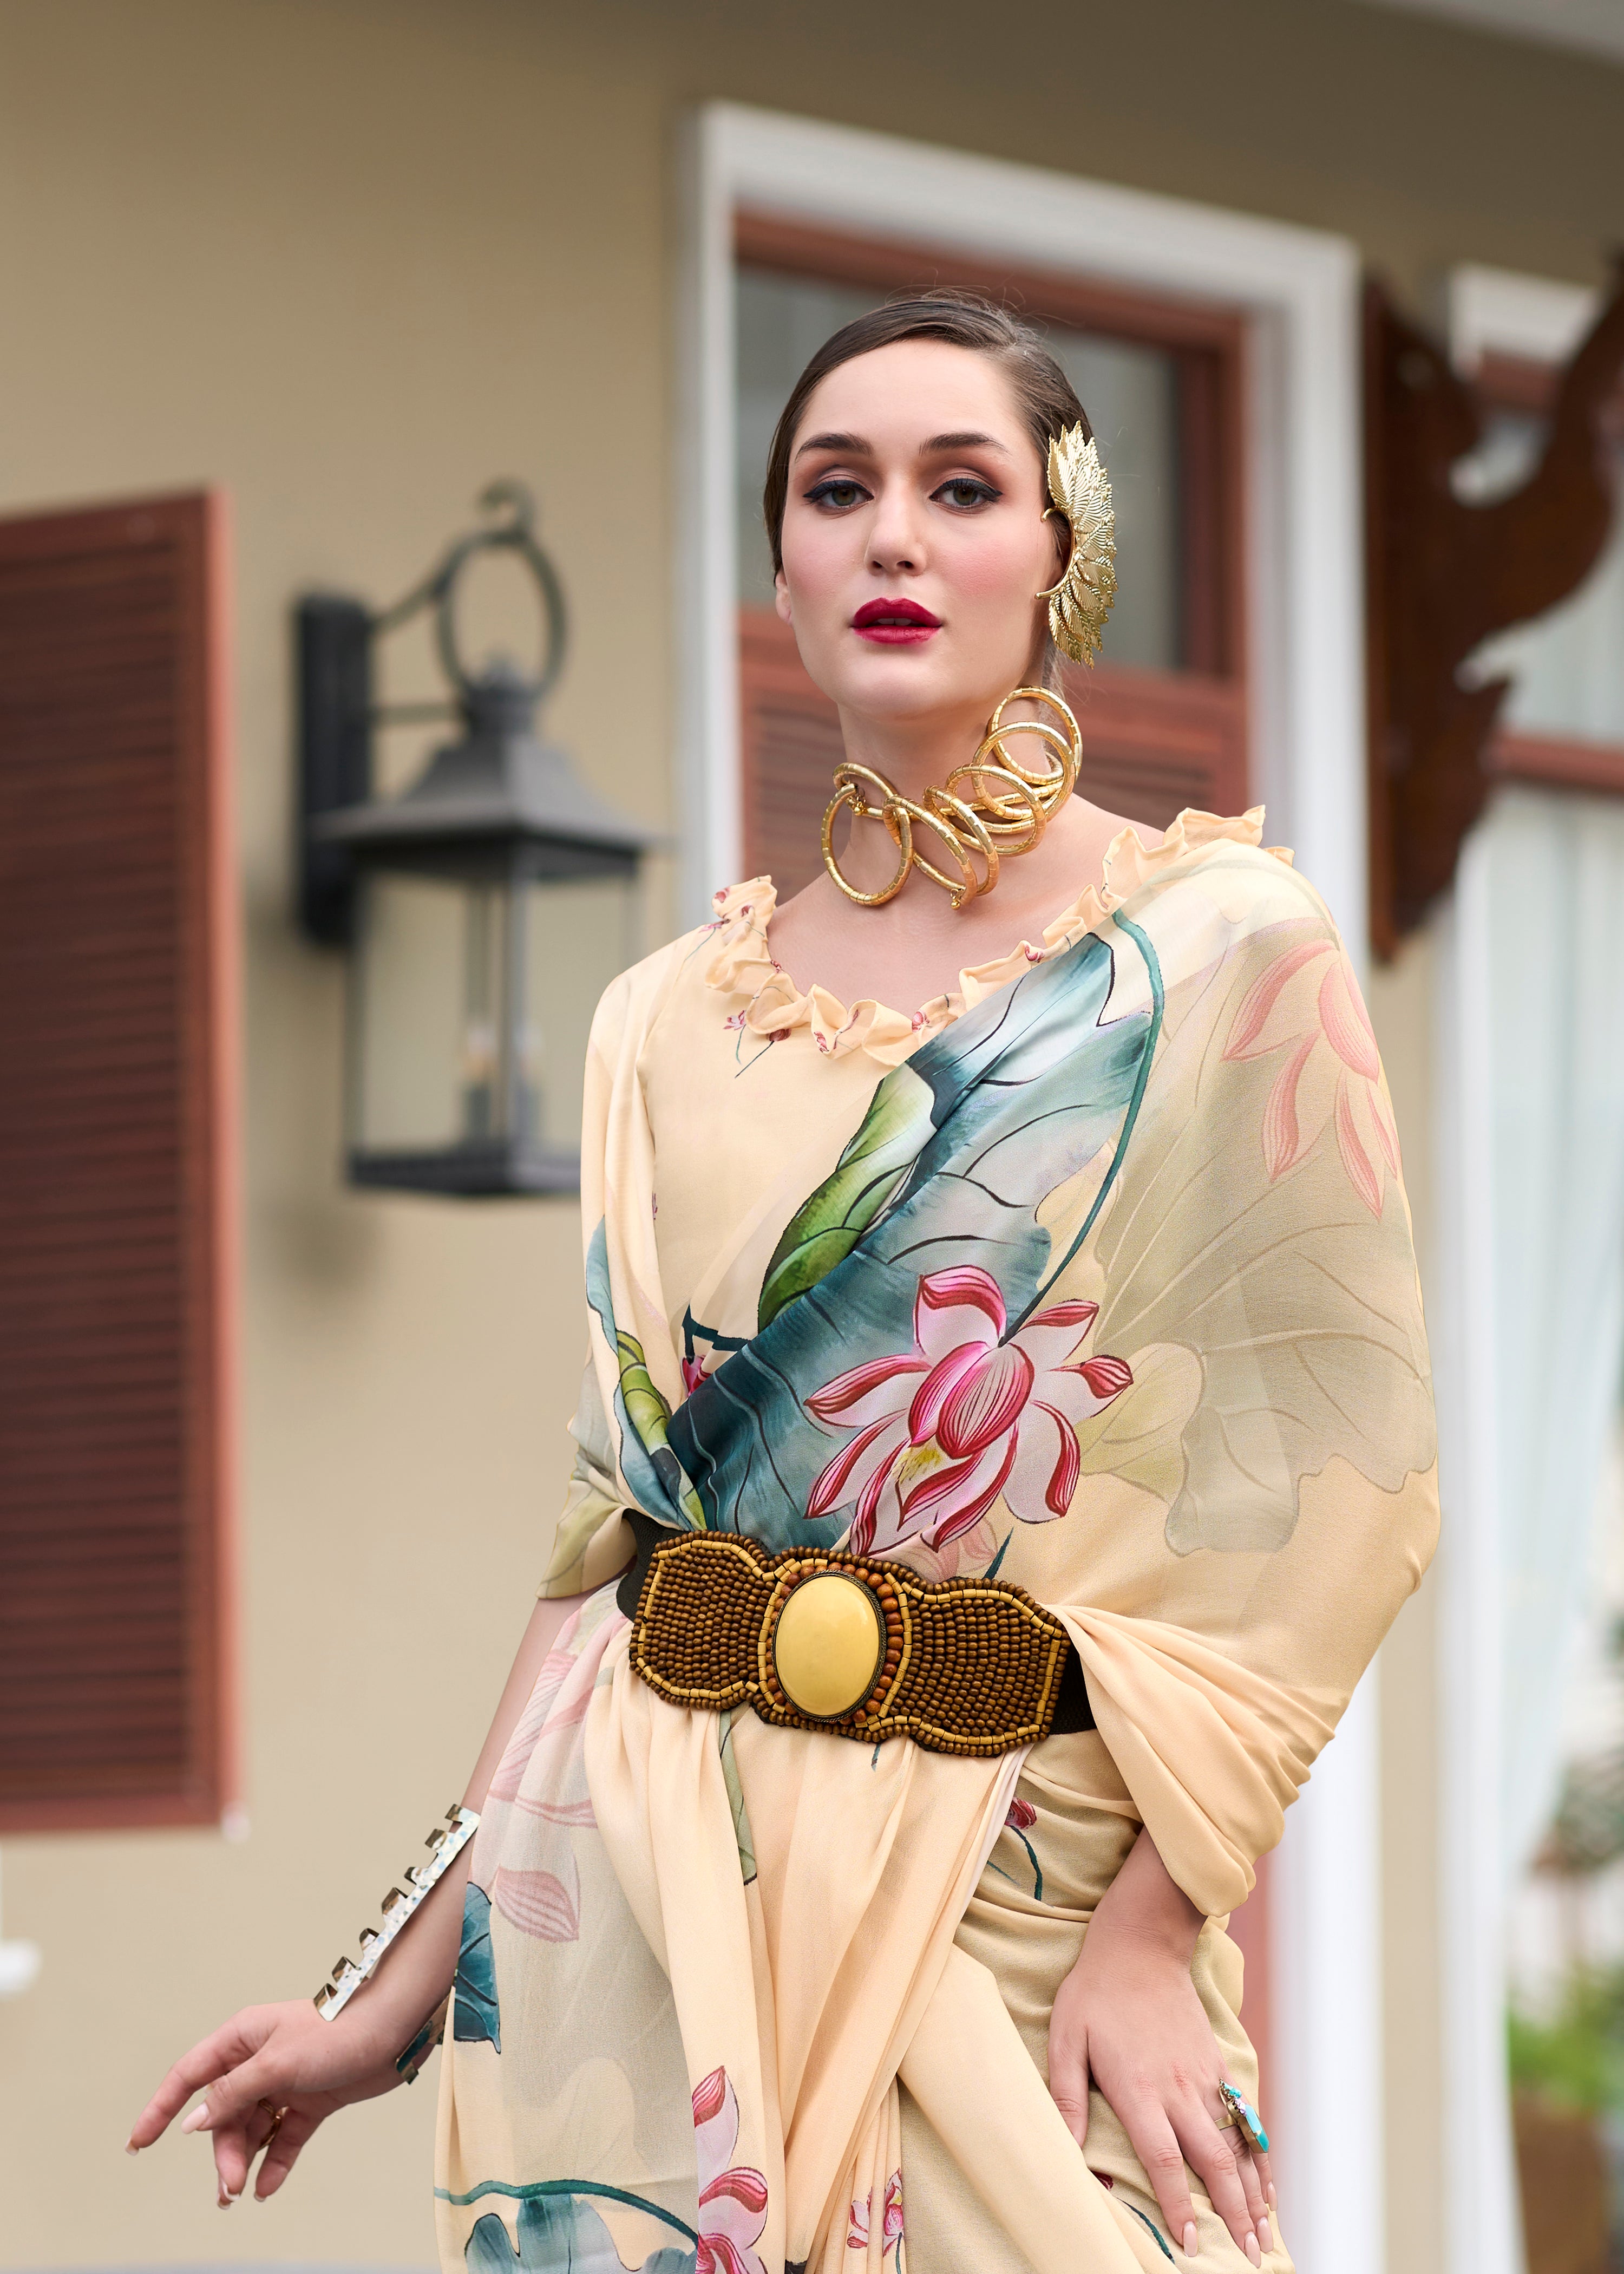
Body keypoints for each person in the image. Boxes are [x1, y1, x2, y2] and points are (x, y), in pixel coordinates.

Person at [129, 294, 1438, 2274]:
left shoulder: (1221, 950)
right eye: (837, 490)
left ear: (1066, 553)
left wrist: (1160, 1927)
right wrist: (385, 2000)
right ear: (784, 569)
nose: (893, 534)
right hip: (656, 1910)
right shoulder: (665, 1021)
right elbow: (614, 1556)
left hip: (1023, 1901)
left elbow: (1338, 1500)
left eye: (961, 487)